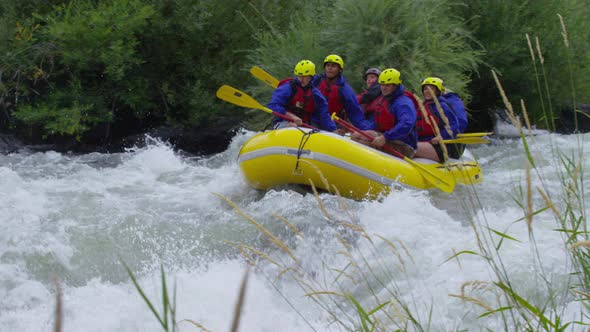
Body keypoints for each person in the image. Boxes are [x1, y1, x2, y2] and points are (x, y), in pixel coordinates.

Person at [351, 68, 417, 158]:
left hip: (404, 145)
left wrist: (385, 137)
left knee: (362, 142)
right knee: (356, 136)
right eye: (382, 84)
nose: (383, 87)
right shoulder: (384, 98)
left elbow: (406, 124)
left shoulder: (403, 103)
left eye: (387, 85)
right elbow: (377, 123)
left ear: (395, 86)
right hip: (389, 138)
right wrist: (362, 131)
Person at [268, 60, 336, 131]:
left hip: (304, 126)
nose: (301, 79)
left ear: (311, 77)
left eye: (304, 76)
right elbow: (273, 105)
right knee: (293, 127)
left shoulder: (316, 94)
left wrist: (333, 131)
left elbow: (324, 115)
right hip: (283, 123)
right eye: (299, 76)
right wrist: (292, 117)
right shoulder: (288, 88)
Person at [312, 54, 371, 131]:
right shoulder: (316, 80)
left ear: (340, 70)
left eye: (333, 66)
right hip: (313, 121)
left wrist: (367, 130)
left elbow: (355, 114)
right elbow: (299, 82)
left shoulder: (345, 89)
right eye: (328, 65)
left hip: (333, 125)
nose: (330, 68)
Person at [414, 77, 463, 162]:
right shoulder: (422, 106)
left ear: (437, 91)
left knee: (408, 147)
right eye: (425, 89)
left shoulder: (442, 106)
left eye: (431, 88)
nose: (427, 91)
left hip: (440, 146)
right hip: (425, 142)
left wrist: (441, 137)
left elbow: (454, 125)